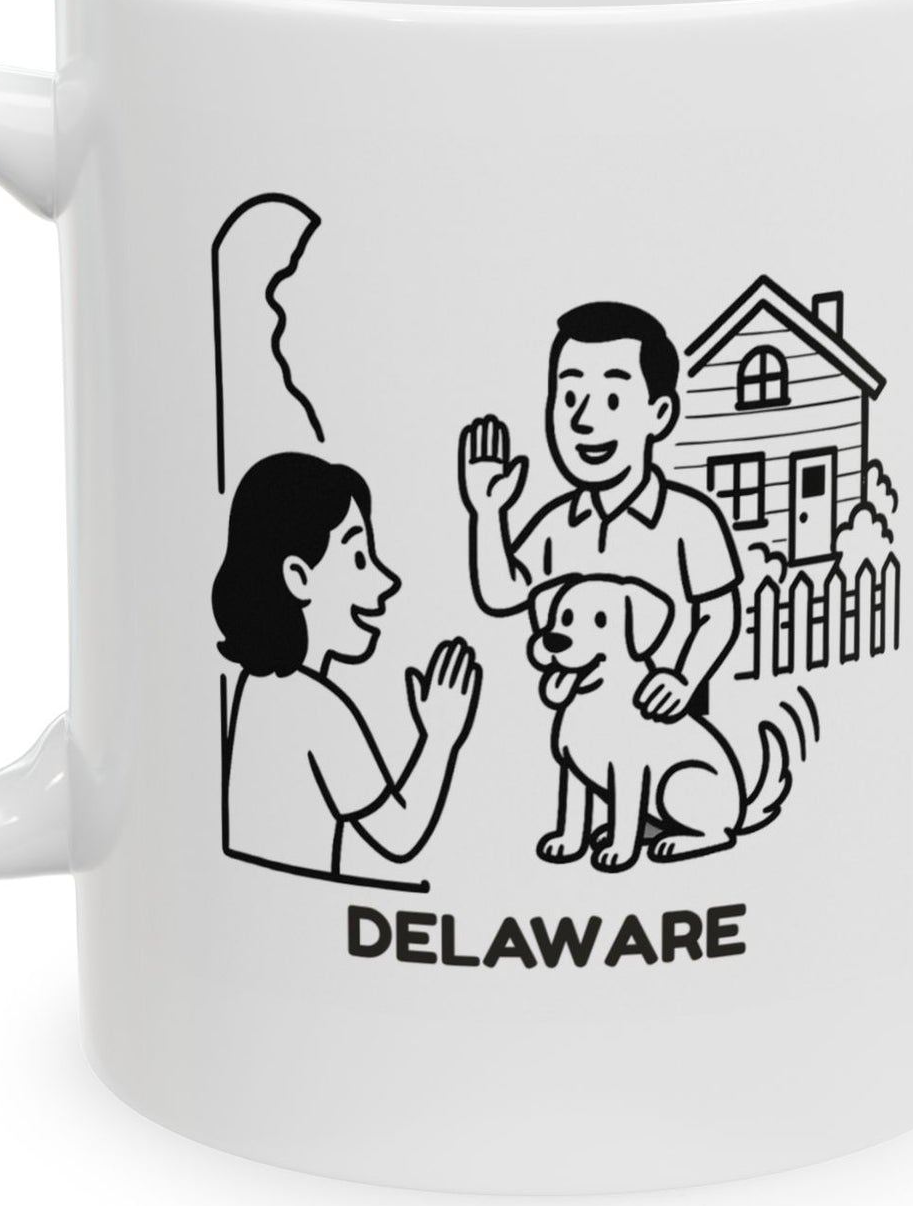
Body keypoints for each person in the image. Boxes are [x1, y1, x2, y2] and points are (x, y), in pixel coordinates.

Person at [458, 301, 741, 720]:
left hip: (668, 727)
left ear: (660, 414)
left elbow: (720, 614)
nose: (584, 420)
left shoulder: (690, 519)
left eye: (612, 399)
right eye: (570, 397)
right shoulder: (557, 524)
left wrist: (684, 678)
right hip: (580, 722)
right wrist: (487, 512)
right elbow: (503, 593)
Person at [215, 451, 481, 883]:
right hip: (302, 915)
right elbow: (399, 835)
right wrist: (440, 737)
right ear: (299, 577)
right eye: (359, 558)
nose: (386, 581)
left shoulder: (259, 685)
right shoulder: (314, 706)